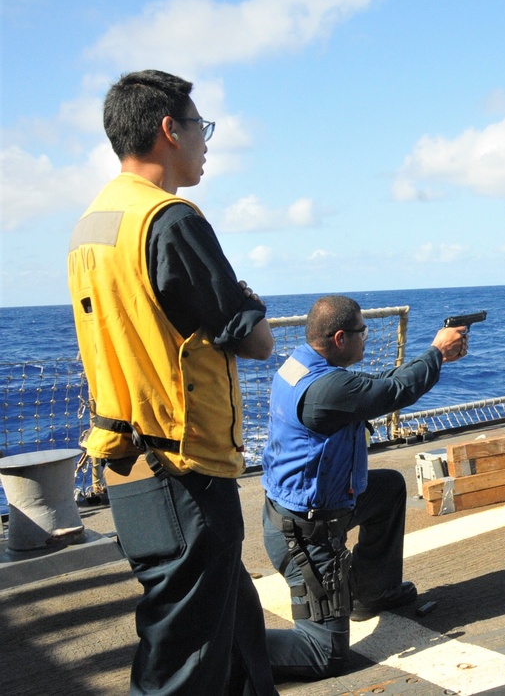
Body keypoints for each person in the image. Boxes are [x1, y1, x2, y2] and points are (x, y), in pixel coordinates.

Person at [67, 70, 277, 695]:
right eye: (200, 128)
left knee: (233, 628)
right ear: (169, 131)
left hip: (127, 457)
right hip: (183, 468)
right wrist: (247, 301)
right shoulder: (170, 220)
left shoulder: (92, 225)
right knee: (180, 662)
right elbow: (256, 340)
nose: (205, 143)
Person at [261, 294, 468, 681]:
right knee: (324, 655)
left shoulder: (301, 366)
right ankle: (224, 650)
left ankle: (371, 593)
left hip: (308, 508)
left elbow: (375, 386)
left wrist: (431, 359)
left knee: (387, 489)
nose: (366, 338)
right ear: (340, 338)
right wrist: (436, 353)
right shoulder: (326, 391)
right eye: (361, 332)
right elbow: (392, 393)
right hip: (306, 537)